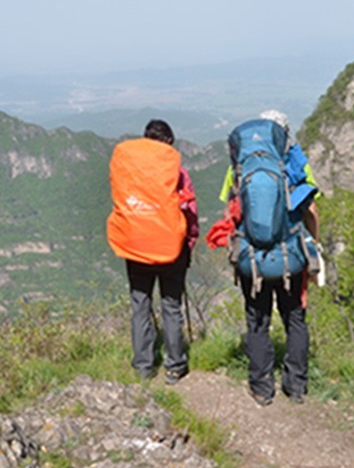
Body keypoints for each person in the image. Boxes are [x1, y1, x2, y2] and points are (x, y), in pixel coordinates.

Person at [219, 110, 318, 406]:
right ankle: (296, 386)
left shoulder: (240, 167)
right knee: (295, 320)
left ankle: (262, 386)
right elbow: (311, 210)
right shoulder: (295, 163)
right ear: (284, 134)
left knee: (258, 322)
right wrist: (314, 243)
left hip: (253, 259)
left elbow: (230, 212)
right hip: (290, 257)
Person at [111, 119, 198, 385]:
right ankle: (174, 366)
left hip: (136, 246)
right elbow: (190, 212)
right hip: (172, 248)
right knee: (171, 306)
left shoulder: (129, 172)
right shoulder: (179, 174)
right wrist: (190, 242)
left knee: (140, 305)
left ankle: (144, 367)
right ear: (168, 144)